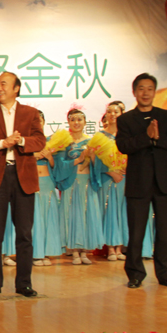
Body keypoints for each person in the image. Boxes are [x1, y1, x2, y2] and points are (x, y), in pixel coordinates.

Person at [0, 72, 45, 298]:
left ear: (16, 88)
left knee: (24, 234)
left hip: (23, 177)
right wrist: (3, 143)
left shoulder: (31, 113)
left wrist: (21, 140)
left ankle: (24, 284)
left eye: (3, 84)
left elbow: (40, 140)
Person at [116, 73, 167, 289]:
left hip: (163, 182)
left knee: (165, 232)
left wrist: (157, 137)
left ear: (155, 91)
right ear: (134, 92)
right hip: (138, 182)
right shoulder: (125, 119)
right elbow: (124, 146)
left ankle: (166, 275)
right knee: (136, 233)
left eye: (150, 88)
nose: (145, 93)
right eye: (141, 89)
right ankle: (135, 274)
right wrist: (147, 136)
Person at [55, 108, 105, 265]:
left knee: (87, 214)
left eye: (79, 119)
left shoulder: (92, 141)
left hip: (87, 182)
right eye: (73, 120)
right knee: (71, 215)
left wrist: (93, 156)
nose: (76, 122)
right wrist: (77, 160)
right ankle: (74, 251)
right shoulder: (64, 142)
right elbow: (59, 164)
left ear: (85, 122)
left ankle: (84, 251)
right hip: (71, 182)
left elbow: (99, 165)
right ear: (68, 122)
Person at [91, 101, 128, 261]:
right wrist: (111, 172)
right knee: (108, 210)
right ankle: (110, 248)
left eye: (116, 111)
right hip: (107, 178)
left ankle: (120, 247)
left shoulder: (127, 135)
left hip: (124, 178)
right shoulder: (100, 136)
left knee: (121, 210)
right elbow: (95, 160)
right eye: (109, 111)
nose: (112, 114)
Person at [31, 111, 64, 266]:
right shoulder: (27, 142)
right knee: (35, 218)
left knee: (48, 217)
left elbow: (58, 166)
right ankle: (35, 253)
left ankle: (47, 252)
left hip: (48, 183)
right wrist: (34, 156)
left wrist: (49, 157)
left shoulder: (52, 141)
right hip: (32, 183)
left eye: (40, 120)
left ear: (44, 122)